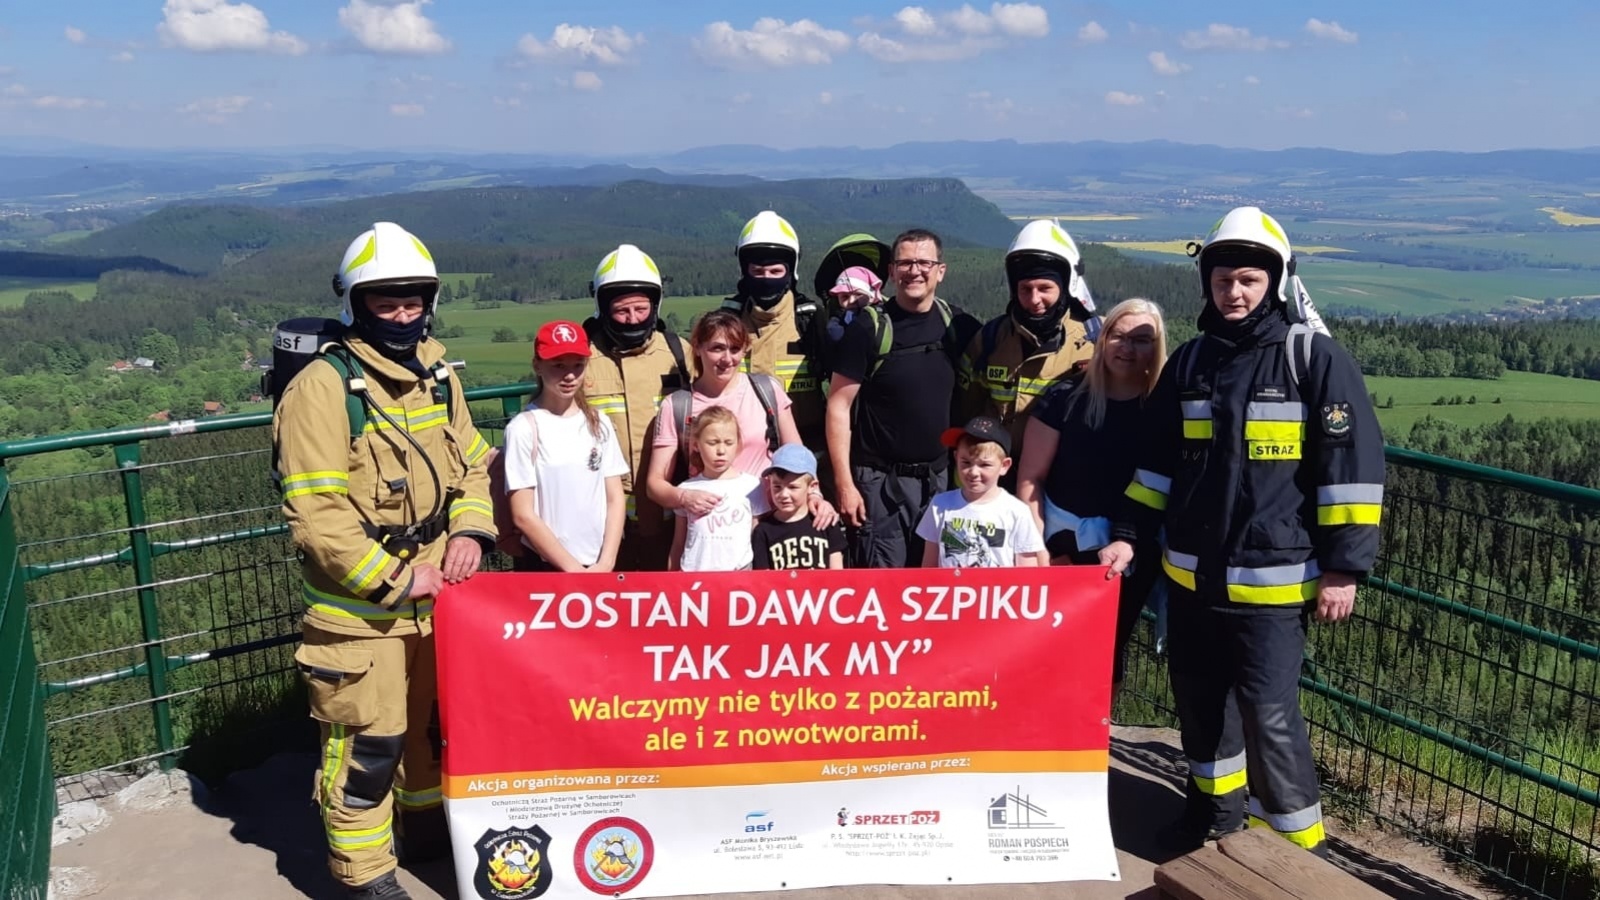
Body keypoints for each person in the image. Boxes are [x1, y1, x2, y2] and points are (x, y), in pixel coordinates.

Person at [1099, 207, 1385, 856]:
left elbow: (1353, 469)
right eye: (1224, 279)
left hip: (1274, 591)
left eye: (1249, 280)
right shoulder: (1192, 363)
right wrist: (1129, 532)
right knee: (1200, 710)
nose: (1234, 291)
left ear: (1275, 283)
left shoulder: (1312, 358)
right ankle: (1214, 821)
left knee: (1271, 719)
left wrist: (1345, 568)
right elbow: (1158, 465)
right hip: (1192, 580)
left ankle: (1293, 855)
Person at [276, 222, 496, 900]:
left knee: (430, 735)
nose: (402, 314)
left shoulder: (436, 372)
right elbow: (318, 520)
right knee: (368, 750)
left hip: (438, 600)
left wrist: (471, 534)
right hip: (360, 617)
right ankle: (365, 876)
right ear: (355, 304)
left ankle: (425, 834)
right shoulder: (321, 388)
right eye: (385, 301)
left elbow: (476, 466)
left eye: (412, 300)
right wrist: (399, 578)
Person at [1014, 298, 1168, 692]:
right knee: (1050, 649)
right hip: (1061, 544)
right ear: (1102, 339)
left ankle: (1090, 743)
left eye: (1142, 339)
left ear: (1158, 346)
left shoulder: (1165, 407)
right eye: (1118, 335)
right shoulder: (1065, 396)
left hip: (1133, 552)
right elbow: (1031, 479)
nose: (1128, 347)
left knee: (1108, 653)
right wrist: (1038, 550)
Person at [826, 228, 980, 568]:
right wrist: (845, 484)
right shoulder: (868, 328)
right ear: (892, 272)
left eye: (924, 262)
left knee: (941, 582)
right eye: (905, 263)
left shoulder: (959, 325)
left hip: (942, 484)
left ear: (941, 271)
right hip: (881, 487)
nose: (915, 271)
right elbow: (838, 405)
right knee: (883, 586)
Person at [645, 310, 836, 527]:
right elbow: (655, 484)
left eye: (735, 349)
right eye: (717, 348)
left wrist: (815, 496)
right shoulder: (677, 406)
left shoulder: (766, 390)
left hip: (770, 525)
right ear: (697, 347)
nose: (728, 359)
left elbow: (798, 457)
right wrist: (684, 498)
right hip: (711, 529)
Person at [580, 243, 691, 571]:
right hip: (601, 525)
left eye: (641, 310)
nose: (632, 320)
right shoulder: (581, 358)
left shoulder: (678, 354)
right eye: (621, 311)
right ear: (602, 306)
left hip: (672, 521)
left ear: (656, 305)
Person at [960, 219, 1099, 467]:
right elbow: (966, 409)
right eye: (1025, 289)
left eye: (1045, 288)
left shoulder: (1097, 341)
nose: (1035, 300)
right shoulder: (990, 339)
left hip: (1060, 481)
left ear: (1067, 286)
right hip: (996, 481)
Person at [501, 320, 628, 572]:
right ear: (537, 365)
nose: (569, 375)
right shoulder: (523, 428)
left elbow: (615, 497)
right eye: (558, 366)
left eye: (578, 366)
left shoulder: (599, 422)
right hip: (546, 566)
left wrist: (606, 562)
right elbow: (523, 515)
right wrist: (574, 571)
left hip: (599, 564)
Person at [721, 210, 828, 448]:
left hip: (807, 449)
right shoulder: (728, 320)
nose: (766, 278)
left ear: (790, 271)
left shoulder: (810, 319)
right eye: (757, 272)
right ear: (744, 270)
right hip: (742, 452)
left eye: (775, 271)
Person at [916, 416, 1045, 568]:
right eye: (966, 462)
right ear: (956, 457)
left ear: (1004, 465)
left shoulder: (1017, 512)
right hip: (951, 590)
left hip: (998, 591)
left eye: (985, 465)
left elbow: (1027, 575)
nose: (973, 472)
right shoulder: (940, 505)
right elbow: (928, 568)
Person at [669, 406, 771, 571]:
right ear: (696, 445)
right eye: (712, 443)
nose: (721, 451)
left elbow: (757, 538)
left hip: (739, 576)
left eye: (729, 443)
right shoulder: (686, 489)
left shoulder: (752, 486)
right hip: (693, 577)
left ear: (738, 444)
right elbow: (678, 542)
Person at [754, 443, 847, 570]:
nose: (783, 494)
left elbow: (838, 574)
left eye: (793, 487)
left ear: (812, 486)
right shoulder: (763, 531)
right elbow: (762, 580)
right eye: (777, 486)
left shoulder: (825, 522)